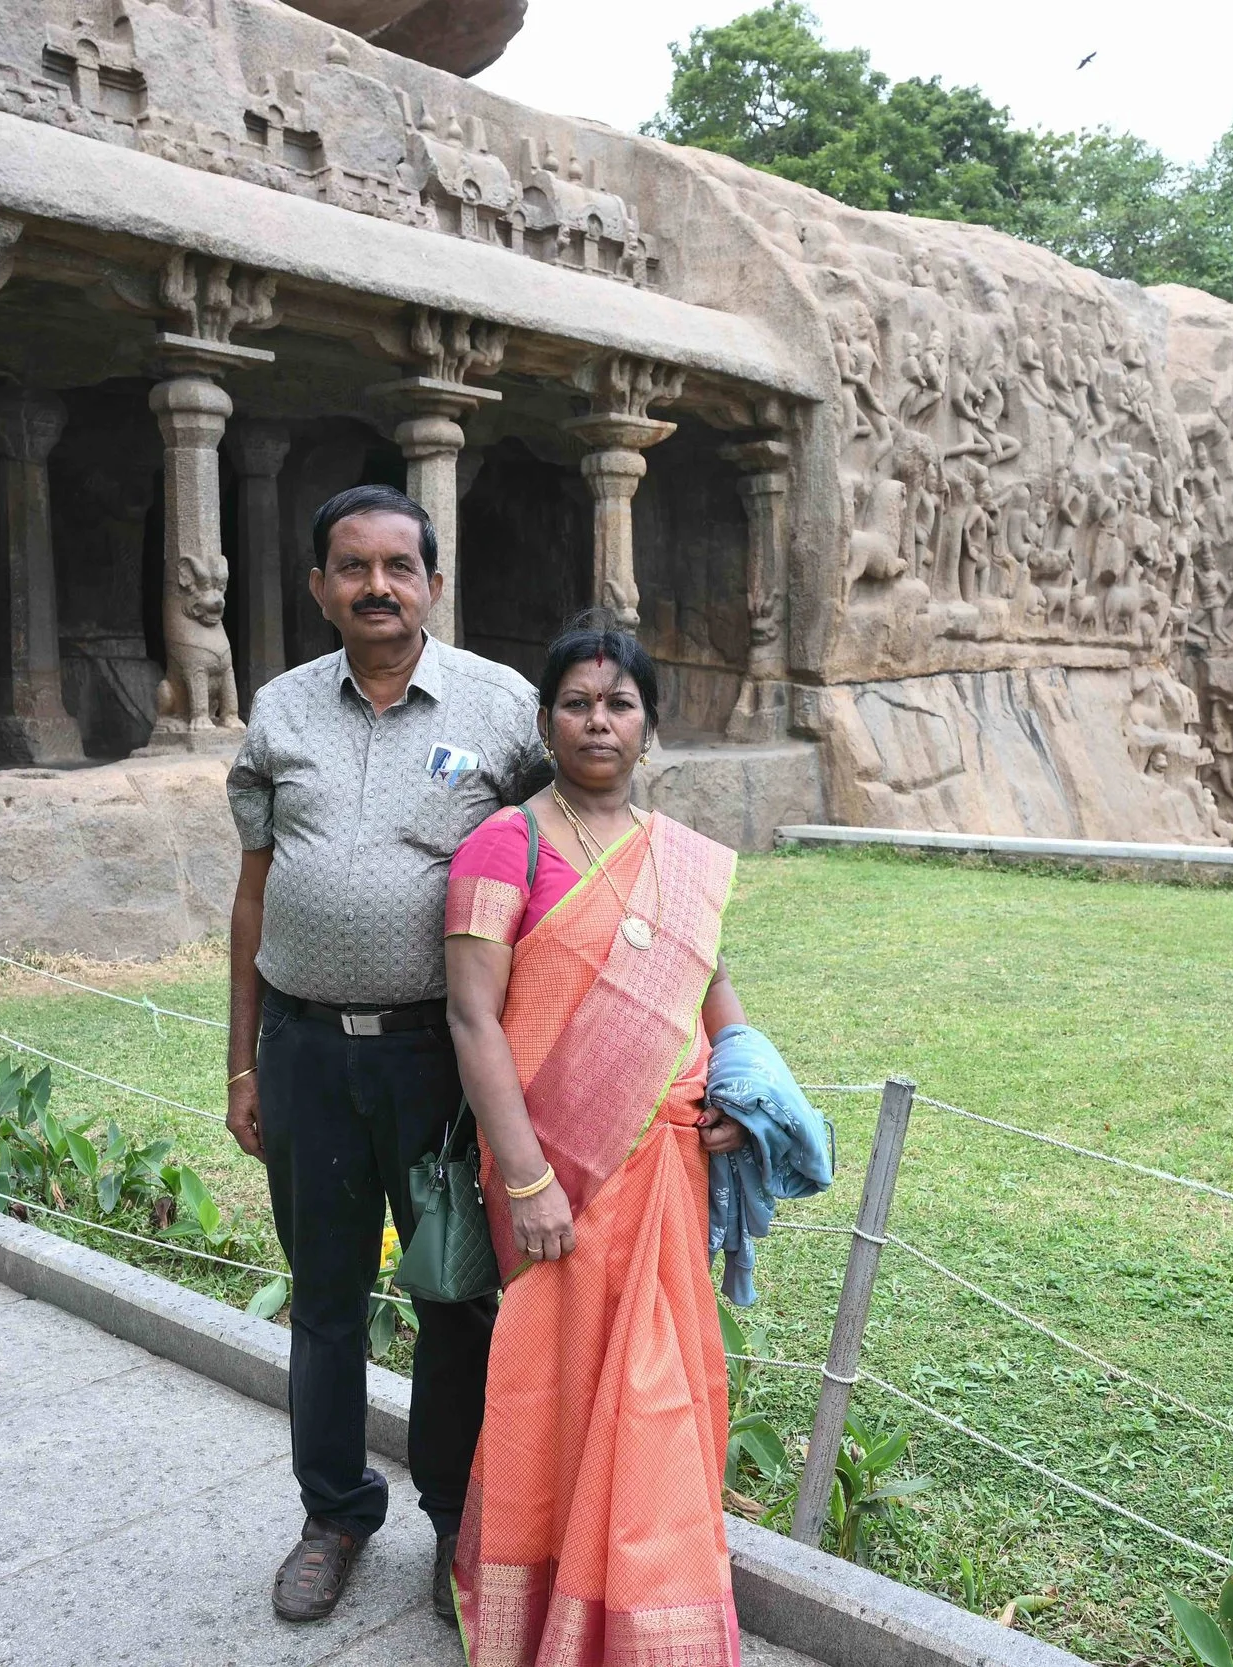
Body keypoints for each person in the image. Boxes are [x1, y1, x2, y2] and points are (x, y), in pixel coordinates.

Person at [225, 484, 547, 1625]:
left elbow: (565, 871)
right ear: (318, 587)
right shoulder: (277, 713)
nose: (375, 586)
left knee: (454, 1293)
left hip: (441, 1060)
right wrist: (242, 1062)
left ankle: (459, 1517)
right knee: (324, 1296)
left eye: (397, 566)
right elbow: (254, 894)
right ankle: (333, 1512)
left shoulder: (503, 709)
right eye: (351, 567)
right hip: (306, 1049)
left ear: (432, 584)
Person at [443, 615, 753, 1666]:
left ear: (647, 727)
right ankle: (544, 1615)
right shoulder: (505, 843)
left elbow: (714, 995)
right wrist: (528, 1176)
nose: (598, 720)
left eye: (618, 702)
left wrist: (740, 1086)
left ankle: (644, 1620)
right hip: (555, 1173)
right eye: (577, 701)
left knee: (659, 1393)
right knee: (556, 1389)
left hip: (666, 1167)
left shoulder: (679, 862)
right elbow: (473, 1017)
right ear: (545, 719)